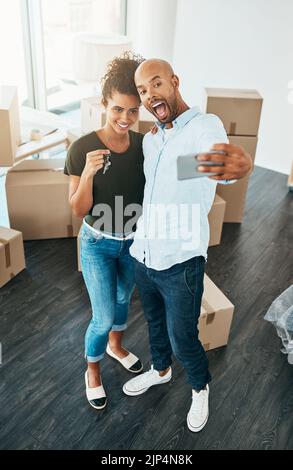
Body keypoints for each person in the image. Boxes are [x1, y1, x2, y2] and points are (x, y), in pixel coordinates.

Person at [122, 59, 252, 432]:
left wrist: (230, 167)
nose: (150, 95)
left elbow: (217, 166)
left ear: (175, 82)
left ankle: (199, 387)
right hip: (144, 254)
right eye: (143, 91)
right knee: (154, 325)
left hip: (181, 261)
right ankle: (160, 371)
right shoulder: (152, 140)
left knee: (184, 338)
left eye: (156, 84)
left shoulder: (204, 126)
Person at [64, 52, 147, 410]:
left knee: (121, 302)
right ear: (103, 104)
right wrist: (87, 174)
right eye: (117, 109)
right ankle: (92, 369)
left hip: (132, 242)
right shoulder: (82, 147)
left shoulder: (145, 145)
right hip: (97, 243)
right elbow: (78, 209)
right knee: (101, 315)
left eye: (133, 111)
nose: (125, 119)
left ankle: (115, 346)